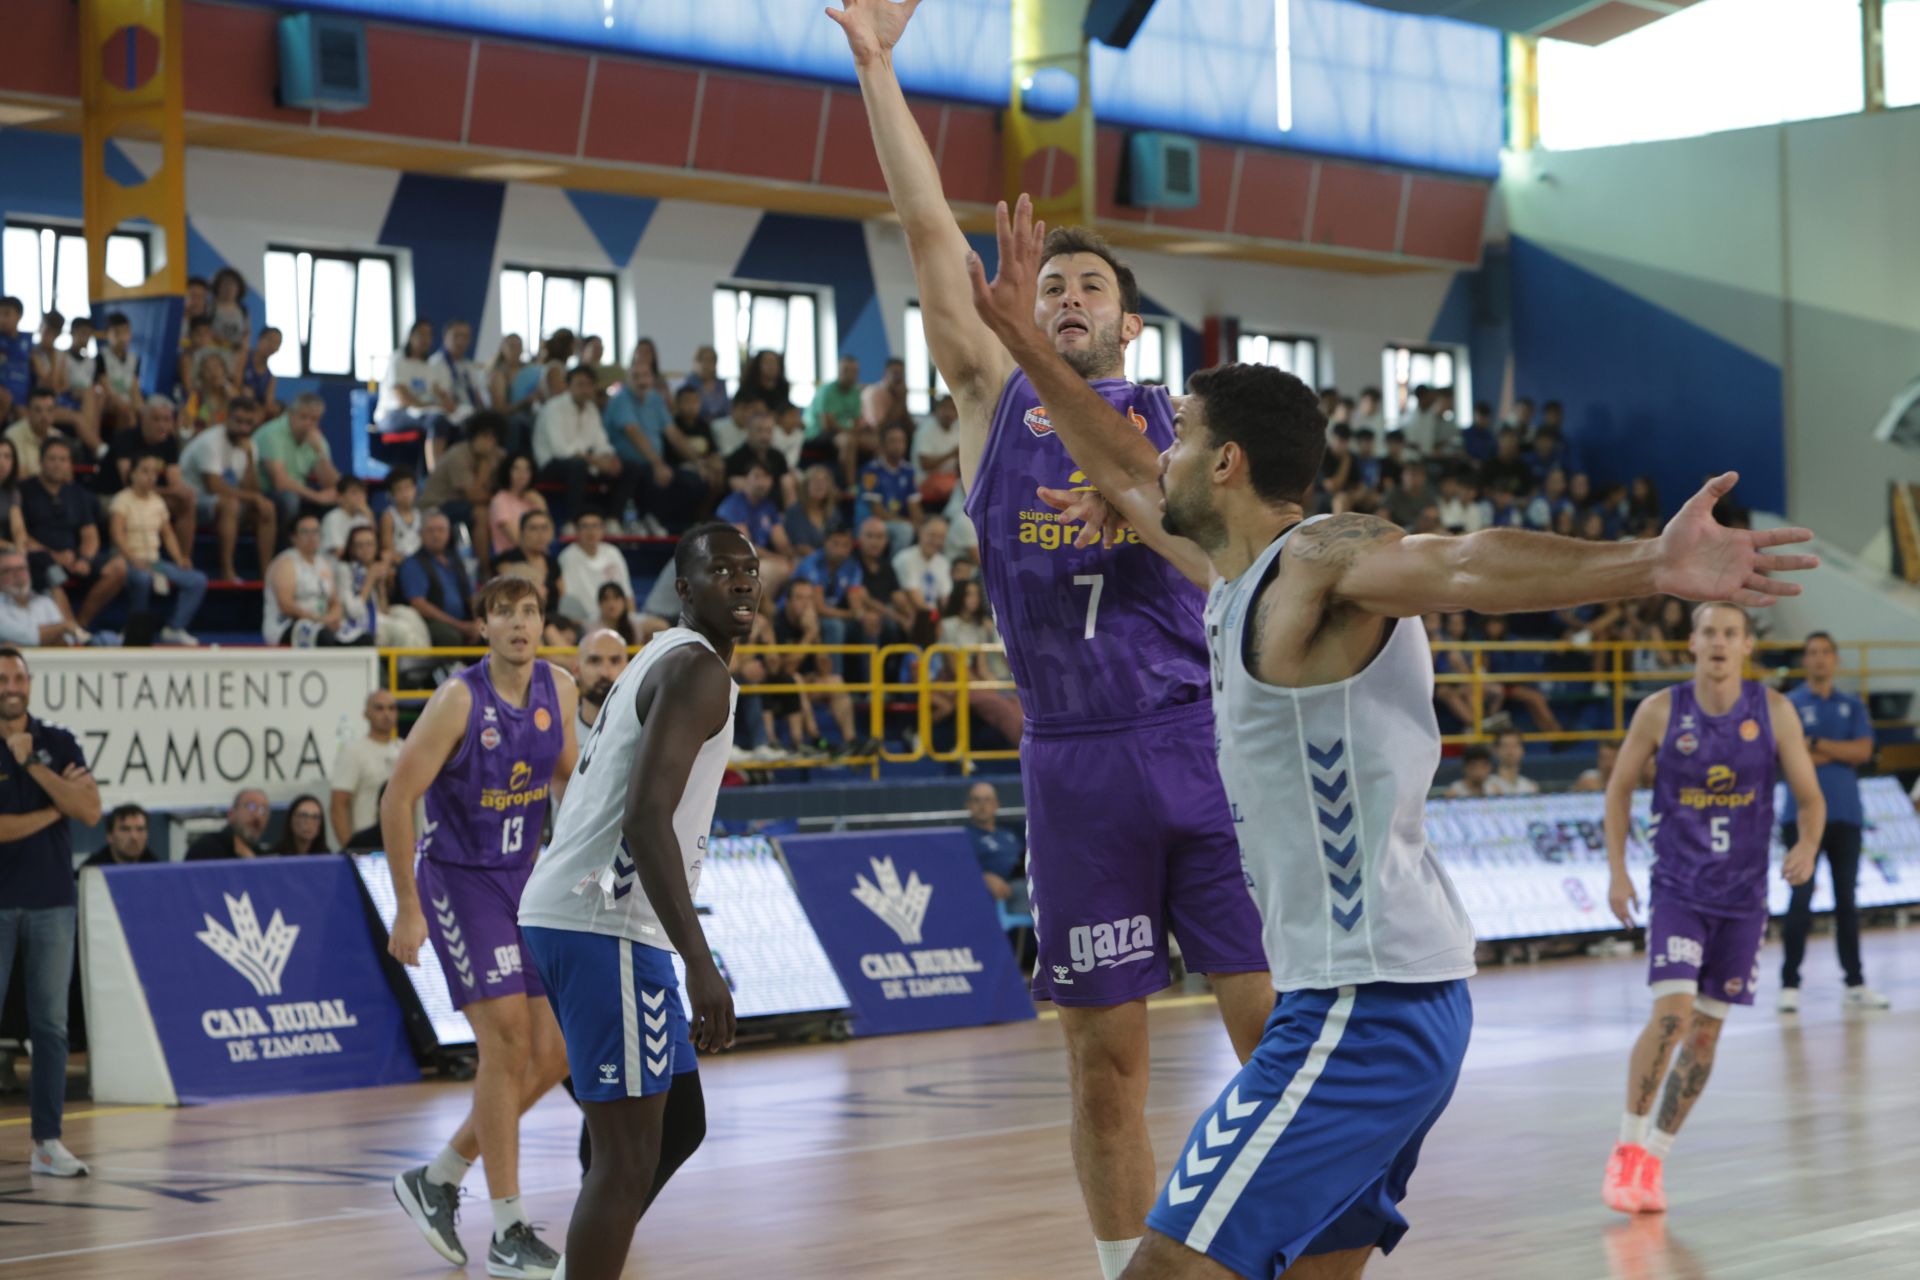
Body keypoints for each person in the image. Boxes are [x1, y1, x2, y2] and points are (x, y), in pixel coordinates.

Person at [962, 189, 1817, 1277]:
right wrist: (1030, 348)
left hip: (1362, 1007)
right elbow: (1123, 470)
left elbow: (1462, 564)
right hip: (1383, 1000)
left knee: (1166, 1269)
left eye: (1178, 438)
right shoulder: (1227, 573)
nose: (1152, 455)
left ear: (1224, 465)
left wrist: (1647, 561)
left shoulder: (1318, 563)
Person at [836, 10, 1274, 1268]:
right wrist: (877, 67)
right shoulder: (995, 397)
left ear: (1131, 326)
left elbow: (1239, 557)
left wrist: (1147, 506)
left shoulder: (1184, 429)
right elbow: (929, 233)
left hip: (1199, 742)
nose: (1068, 296)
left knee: (1273, 1031)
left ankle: (1291, 1244)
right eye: (1051, 286)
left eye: (1092, 288)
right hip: (1074, 759)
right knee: (1103, 1063)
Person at [519, 522, 757, 1280]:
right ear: (684, 588)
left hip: (582, 915)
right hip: (607, 921)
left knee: (676, 1124)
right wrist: (700, 962)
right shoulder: (696, 670)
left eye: (750, 570)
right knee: (625, 1158)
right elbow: (646, 818)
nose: (742, 582)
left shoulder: (662, 655)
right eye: (722, 571)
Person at [1601, 603, 1824, 1217]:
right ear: (1692, 643)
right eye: (1709, 632)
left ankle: (1654, 1159)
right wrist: (1618, 870)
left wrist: (1807, 845)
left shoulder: (1774, 711)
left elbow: (1811, 799)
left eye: (1730, 633)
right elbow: (1618, 789)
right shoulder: (1660, 711)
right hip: (1678, 889)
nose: (1719, 642)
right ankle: (1626, 1146)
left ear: (1747, 645)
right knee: (1672, 1014)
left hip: (1743, 899)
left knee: (1705, 1032)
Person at [385, 576, 577, 1278]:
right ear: (484, 627)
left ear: (542, 622)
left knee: (555, 1053)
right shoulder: (458, 700)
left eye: (529, 612)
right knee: (508, 1042)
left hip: (525, 880)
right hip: (460, 880)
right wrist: (407, 905)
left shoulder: (560, 689)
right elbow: (397, 797)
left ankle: (438, 1177)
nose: (519, 624)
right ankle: (508, 1230)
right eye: (504, 613)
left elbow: (568, 776)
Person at [0, 646, 99, 1177]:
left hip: (52, 901)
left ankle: (47, 1143)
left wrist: (31, 765)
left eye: (18, 678)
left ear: (30, 684)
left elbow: (88, 810)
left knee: (52, 1028)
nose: (11, 687)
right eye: (2, 679)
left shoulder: (57, 742)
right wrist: (53, 810)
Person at [1779, 632, 1888, 1011]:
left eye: (1826, 652)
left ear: (1836, 660)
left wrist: (1814, 745)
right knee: (1800, 898)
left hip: (1845, 814)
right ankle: (1789, 984)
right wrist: (1837, 751)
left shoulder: (1851, 704)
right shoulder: (1790, 704)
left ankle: (1855, 983)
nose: (1820, 659)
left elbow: (1863, 751)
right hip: (1800, 818)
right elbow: (1786, 756)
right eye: (1812, 652)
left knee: (1847, 901)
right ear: (1804, 660)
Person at [22, 438, 127, 629]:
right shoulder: (24, 490)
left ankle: (80, 625)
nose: (57, 464)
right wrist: (55, 556)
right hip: (40, 558)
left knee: (119, 567)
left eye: (63, 459)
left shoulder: (77, 493)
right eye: (52, 459)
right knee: (50, 572)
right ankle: (69, 628)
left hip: (74, 557)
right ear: (40, 461)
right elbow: (20, 536)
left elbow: (90, 534)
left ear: (70, 464)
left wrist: (85, 559)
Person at [109, 454, 207, 645]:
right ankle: (133, 629)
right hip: (127, 560)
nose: (150, 477)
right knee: (142, 578)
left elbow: (168, 534)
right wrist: (133, 558)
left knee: (197, 580)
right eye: (145, 471)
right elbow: (117, 534)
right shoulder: (122, 499)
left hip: (154, 562)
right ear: (132, 474)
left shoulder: (157, 502)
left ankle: (174, 628)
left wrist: (179, 558)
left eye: (154, 473)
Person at [180, 396, 278, 582]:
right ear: (227, 418)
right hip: (194, 501)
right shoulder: (211, 441)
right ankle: (227, 571)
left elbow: (253, 489)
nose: (243, 428)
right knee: (230, 505)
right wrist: (253, 498)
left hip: (228, 501)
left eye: (248, 423)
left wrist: (250, 459)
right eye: (238, 421)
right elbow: (214, 486)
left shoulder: (249, 445)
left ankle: (266, 575)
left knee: (267, 509)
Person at [534, 365, 624, 528]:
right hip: (551, 465)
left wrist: (609, 459)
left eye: (589, 384)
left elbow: (601, 443)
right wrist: (596, 461)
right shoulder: (554, 407)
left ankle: (613, 521)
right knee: (578, 466)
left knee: (627, 467)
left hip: (584, 462)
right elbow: (561, 450)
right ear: (569, 386)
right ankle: (572, 523)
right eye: (580, 384)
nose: (585, 389)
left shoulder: (591, 409)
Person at [254, 393, 341, 528]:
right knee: (289, 500)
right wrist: (317, 497)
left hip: (299, 492)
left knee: (339, 501)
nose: (308, 423)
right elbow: (280, 483)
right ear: (290, 414)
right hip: (263, 493)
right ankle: (285, 542)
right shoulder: (272, 433)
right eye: (303, 417)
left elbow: (333, 484)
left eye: (314, 419)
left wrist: (320, 453)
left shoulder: (316, 439)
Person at [331, 690, 401, 849]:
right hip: (366, 847)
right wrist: (350, 850)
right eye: (379, 708)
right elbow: (338, 806)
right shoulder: (353, 752)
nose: (386, 714)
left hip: (402, 845)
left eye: (391, 708)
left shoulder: (405, 750)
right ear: (366, 714)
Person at [400, 510, 480, 647]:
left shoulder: (456, 560)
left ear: (448, 534)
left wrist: (479, 621)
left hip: (463, 621)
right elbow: (420, 605)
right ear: (421, 534)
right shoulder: (413, 563)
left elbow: (471, 596)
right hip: (431, 623)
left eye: (441, 530)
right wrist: (460, 626)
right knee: (449, 637)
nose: (436, 535)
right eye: (430, 530)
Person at [0, 550, 88, 647]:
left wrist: (52, 635)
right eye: (7, 571)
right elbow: (29, 638)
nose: (17, 575)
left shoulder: (45, 602)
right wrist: (63, 627)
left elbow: (67, 640)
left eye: (21, 569)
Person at [558, 512, 634, 623]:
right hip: (583, 621)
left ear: (603, 529)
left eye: (595, 526)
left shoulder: (613, 553)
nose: (591, 531)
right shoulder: (567, 557)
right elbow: (565, 600)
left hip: (616, 619)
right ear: (576, 530)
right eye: (585, 526)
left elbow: (627, 595)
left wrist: (632, 621)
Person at [964, 780, 1027, 911]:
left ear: (996, 804)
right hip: (1003, 891)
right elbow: (960, 869)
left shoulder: (1009, 832)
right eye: (976, 800)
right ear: (968, 805)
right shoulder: (965, 836)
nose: (982, 805)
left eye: (987, 800)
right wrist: (983, 877)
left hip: (1027, 880)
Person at [490, 453, 551, 561]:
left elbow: (549, 535)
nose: (522, 474)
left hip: (538, 557)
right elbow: (517, 539)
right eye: (516, 469)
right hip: (511, 558)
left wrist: (542, 506)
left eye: (527, 470)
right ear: (508, 471)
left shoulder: (534, 499)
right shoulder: (500, 500)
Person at [184, 789, 272, 860]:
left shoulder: (261, 856)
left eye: (263, 810)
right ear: (231, 814)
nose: (257, 816)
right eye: (250, 807)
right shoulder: (205, 849)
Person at [574, 627, 631, 731]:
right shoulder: (559, 730)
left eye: (615, 661)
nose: (605, 672)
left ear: (629, 670)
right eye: (594, 661)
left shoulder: (644, 730)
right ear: (576, 670)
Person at [80, 803, 160, 867]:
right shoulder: (92, 870)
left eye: (140, 829)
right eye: (125, 829)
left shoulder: (157, 868)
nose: (134, 837)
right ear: (110, 836)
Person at [320, 475, 376, 557]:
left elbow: (374, 548)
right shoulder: (332, 518)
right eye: (354, 493)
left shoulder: (363, 518)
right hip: (337, 563)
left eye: (362, 493)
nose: (360, 497)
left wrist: (370, 516)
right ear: (340, 497)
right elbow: (339, 552)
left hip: (358, 562)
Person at [381, 469, 425, 561]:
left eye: (408, 487)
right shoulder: (389, 516)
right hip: (400, 560)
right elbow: (388, 548)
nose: (405, 494)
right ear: (392, 494)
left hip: (421, 561)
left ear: (415, 489)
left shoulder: (419, 514)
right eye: (399, 489)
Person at [1485, 729, 1540, 796]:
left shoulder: (1530, 787)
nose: (1510, 751)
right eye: (1505, 746)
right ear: (1496, 750)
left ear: (1522, 750)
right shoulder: (1487, 785)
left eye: (1515, 746)